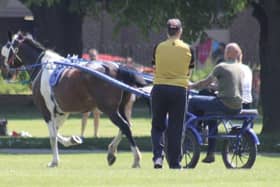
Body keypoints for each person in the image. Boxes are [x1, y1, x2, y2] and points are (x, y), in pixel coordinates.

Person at [188, 42, 246, 163]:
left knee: (193, 101)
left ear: (228, 53)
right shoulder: (240, 68)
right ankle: (210, 153)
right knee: (211, 118)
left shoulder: (222, 67)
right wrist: (215, 88)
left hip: (223, 104)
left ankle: (193, 131)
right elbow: (229, 86)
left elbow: (205, 83)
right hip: (236, 106)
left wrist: (191, 86)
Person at [151, 18, 194, 169]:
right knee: (176, 127)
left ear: (167, 31)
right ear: (180, 31)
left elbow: (155, 67)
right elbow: (189, 71)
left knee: (158, 125)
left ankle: (158, 157)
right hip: (179, 89)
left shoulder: (158, 47)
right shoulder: (188, 48)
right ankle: (175, 163)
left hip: (160, 88)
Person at [81, 48, 102, 138]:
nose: (93, 57)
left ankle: (96, 134)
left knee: (97, 114)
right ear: (89, 56)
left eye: (94, 55)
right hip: (88, 93)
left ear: (97, 56)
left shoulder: (100, 66)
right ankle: (82, 134)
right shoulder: (86, 66)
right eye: (91, 56)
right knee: (85, 114)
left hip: (97, 93)